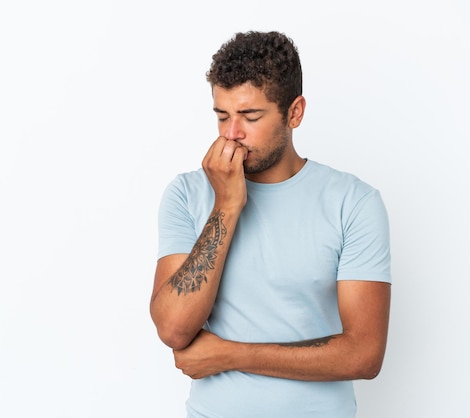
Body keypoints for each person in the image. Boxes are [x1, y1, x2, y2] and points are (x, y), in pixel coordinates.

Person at [150, 30, 391, 418]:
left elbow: (364, 354)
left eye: (250, 116)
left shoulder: (354, 201)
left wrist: (229, 355)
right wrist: (226, 206)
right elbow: (174, 330)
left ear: (294, 112)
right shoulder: (187, 193)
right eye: (222, 115)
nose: (232, 134)